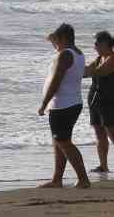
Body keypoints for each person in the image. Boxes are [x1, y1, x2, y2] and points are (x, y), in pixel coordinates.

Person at [37, 23, 92, 189]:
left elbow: (56, 80)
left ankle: (83, 179)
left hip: (63, 105)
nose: (54, 45)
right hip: (71, 102)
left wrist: (44, 103)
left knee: (64, 142)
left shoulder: (65, 55)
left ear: (63, 39)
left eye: (56, 41)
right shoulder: (77, 53)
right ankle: (57, 179)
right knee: (59, 142)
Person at [82, 30, 114, 176]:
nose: (94, 47)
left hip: (111, 99)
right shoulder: (99, 58)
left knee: (113, 132)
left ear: (105, 43)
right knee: (99, 133)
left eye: (96, 43)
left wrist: (83, 70)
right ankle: (103, 166)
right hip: (95, 98)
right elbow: (86, 72)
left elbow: (99, 72)